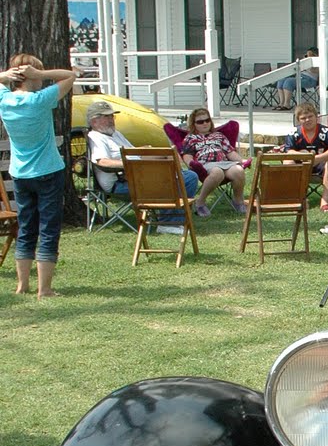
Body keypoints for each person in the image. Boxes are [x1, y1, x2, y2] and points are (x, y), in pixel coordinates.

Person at [0, 52, 78, 299]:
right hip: (47, 171)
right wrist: (42, 73)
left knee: (26, 227)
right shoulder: (40, 100)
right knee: (48, 228)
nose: (41, 80)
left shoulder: (5, 100)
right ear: (30, 76)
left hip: (20, 174)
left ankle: (22, 285)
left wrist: (5, 76)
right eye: (37, 75)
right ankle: (44, 289)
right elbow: (70, 76)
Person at [86, 100, 198, 231]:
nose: (111, 120)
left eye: (112, 116)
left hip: (139, 177)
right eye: (107, 117)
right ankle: (167, 223)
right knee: (175, 180)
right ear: (94, 121)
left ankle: (174, 219)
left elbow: (133, 151)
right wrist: (133, 163)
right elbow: (102, 162)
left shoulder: (115, 134)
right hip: (121, 183)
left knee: (189, 176)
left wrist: (147, 152)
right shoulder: (95, 137)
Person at [282, 102, 328, 234]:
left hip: (321, 165)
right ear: (298, 120)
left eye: (310, 116)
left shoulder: (325, 131)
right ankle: (299, 198)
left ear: (316, 117)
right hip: (301, 165)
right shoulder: (295, 133)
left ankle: (324, 200)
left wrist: (317, 159)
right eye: (303, 118)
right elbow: (287, 151)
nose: (307, 120)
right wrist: (304, 157)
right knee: (287, 162)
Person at [180, 108, 247, 216]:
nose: (205, 123)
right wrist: (191, 163)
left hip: (224, 163)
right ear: (194, 124)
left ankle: (238, 201)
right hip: (205, 164)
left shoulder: (219, 136)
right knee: (217, 172)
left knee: (238, 170)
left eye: (207, 120)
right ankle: (200, 203)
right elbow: (187, 155)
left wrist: (242, 161)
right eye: (200, 122)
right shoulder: (191, 138)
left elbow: (230, 152)